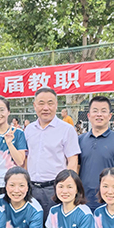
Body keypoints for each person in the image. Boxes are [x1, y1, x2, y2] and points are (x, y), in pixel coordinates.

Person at [24, 87, 81, 221]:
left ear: (56, 105)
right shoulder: (28, 130)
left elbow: (73, 161)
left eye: (50, 103)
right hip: (31, 188)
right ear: (35, 106)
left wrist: (68, 188)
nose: (46, 108)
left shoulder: (67, 130)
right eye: (41, 103)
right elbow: (26, 158)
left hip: (55, 189)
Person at [78, 96, 114, 212]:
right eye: (95, 111)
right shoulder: (80, 140)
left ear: (110, 116)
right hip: (83, 201)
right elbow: (76, 169)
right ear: (88, 116)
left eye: (103, 111)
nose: (99, 114)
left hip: (109, 202)